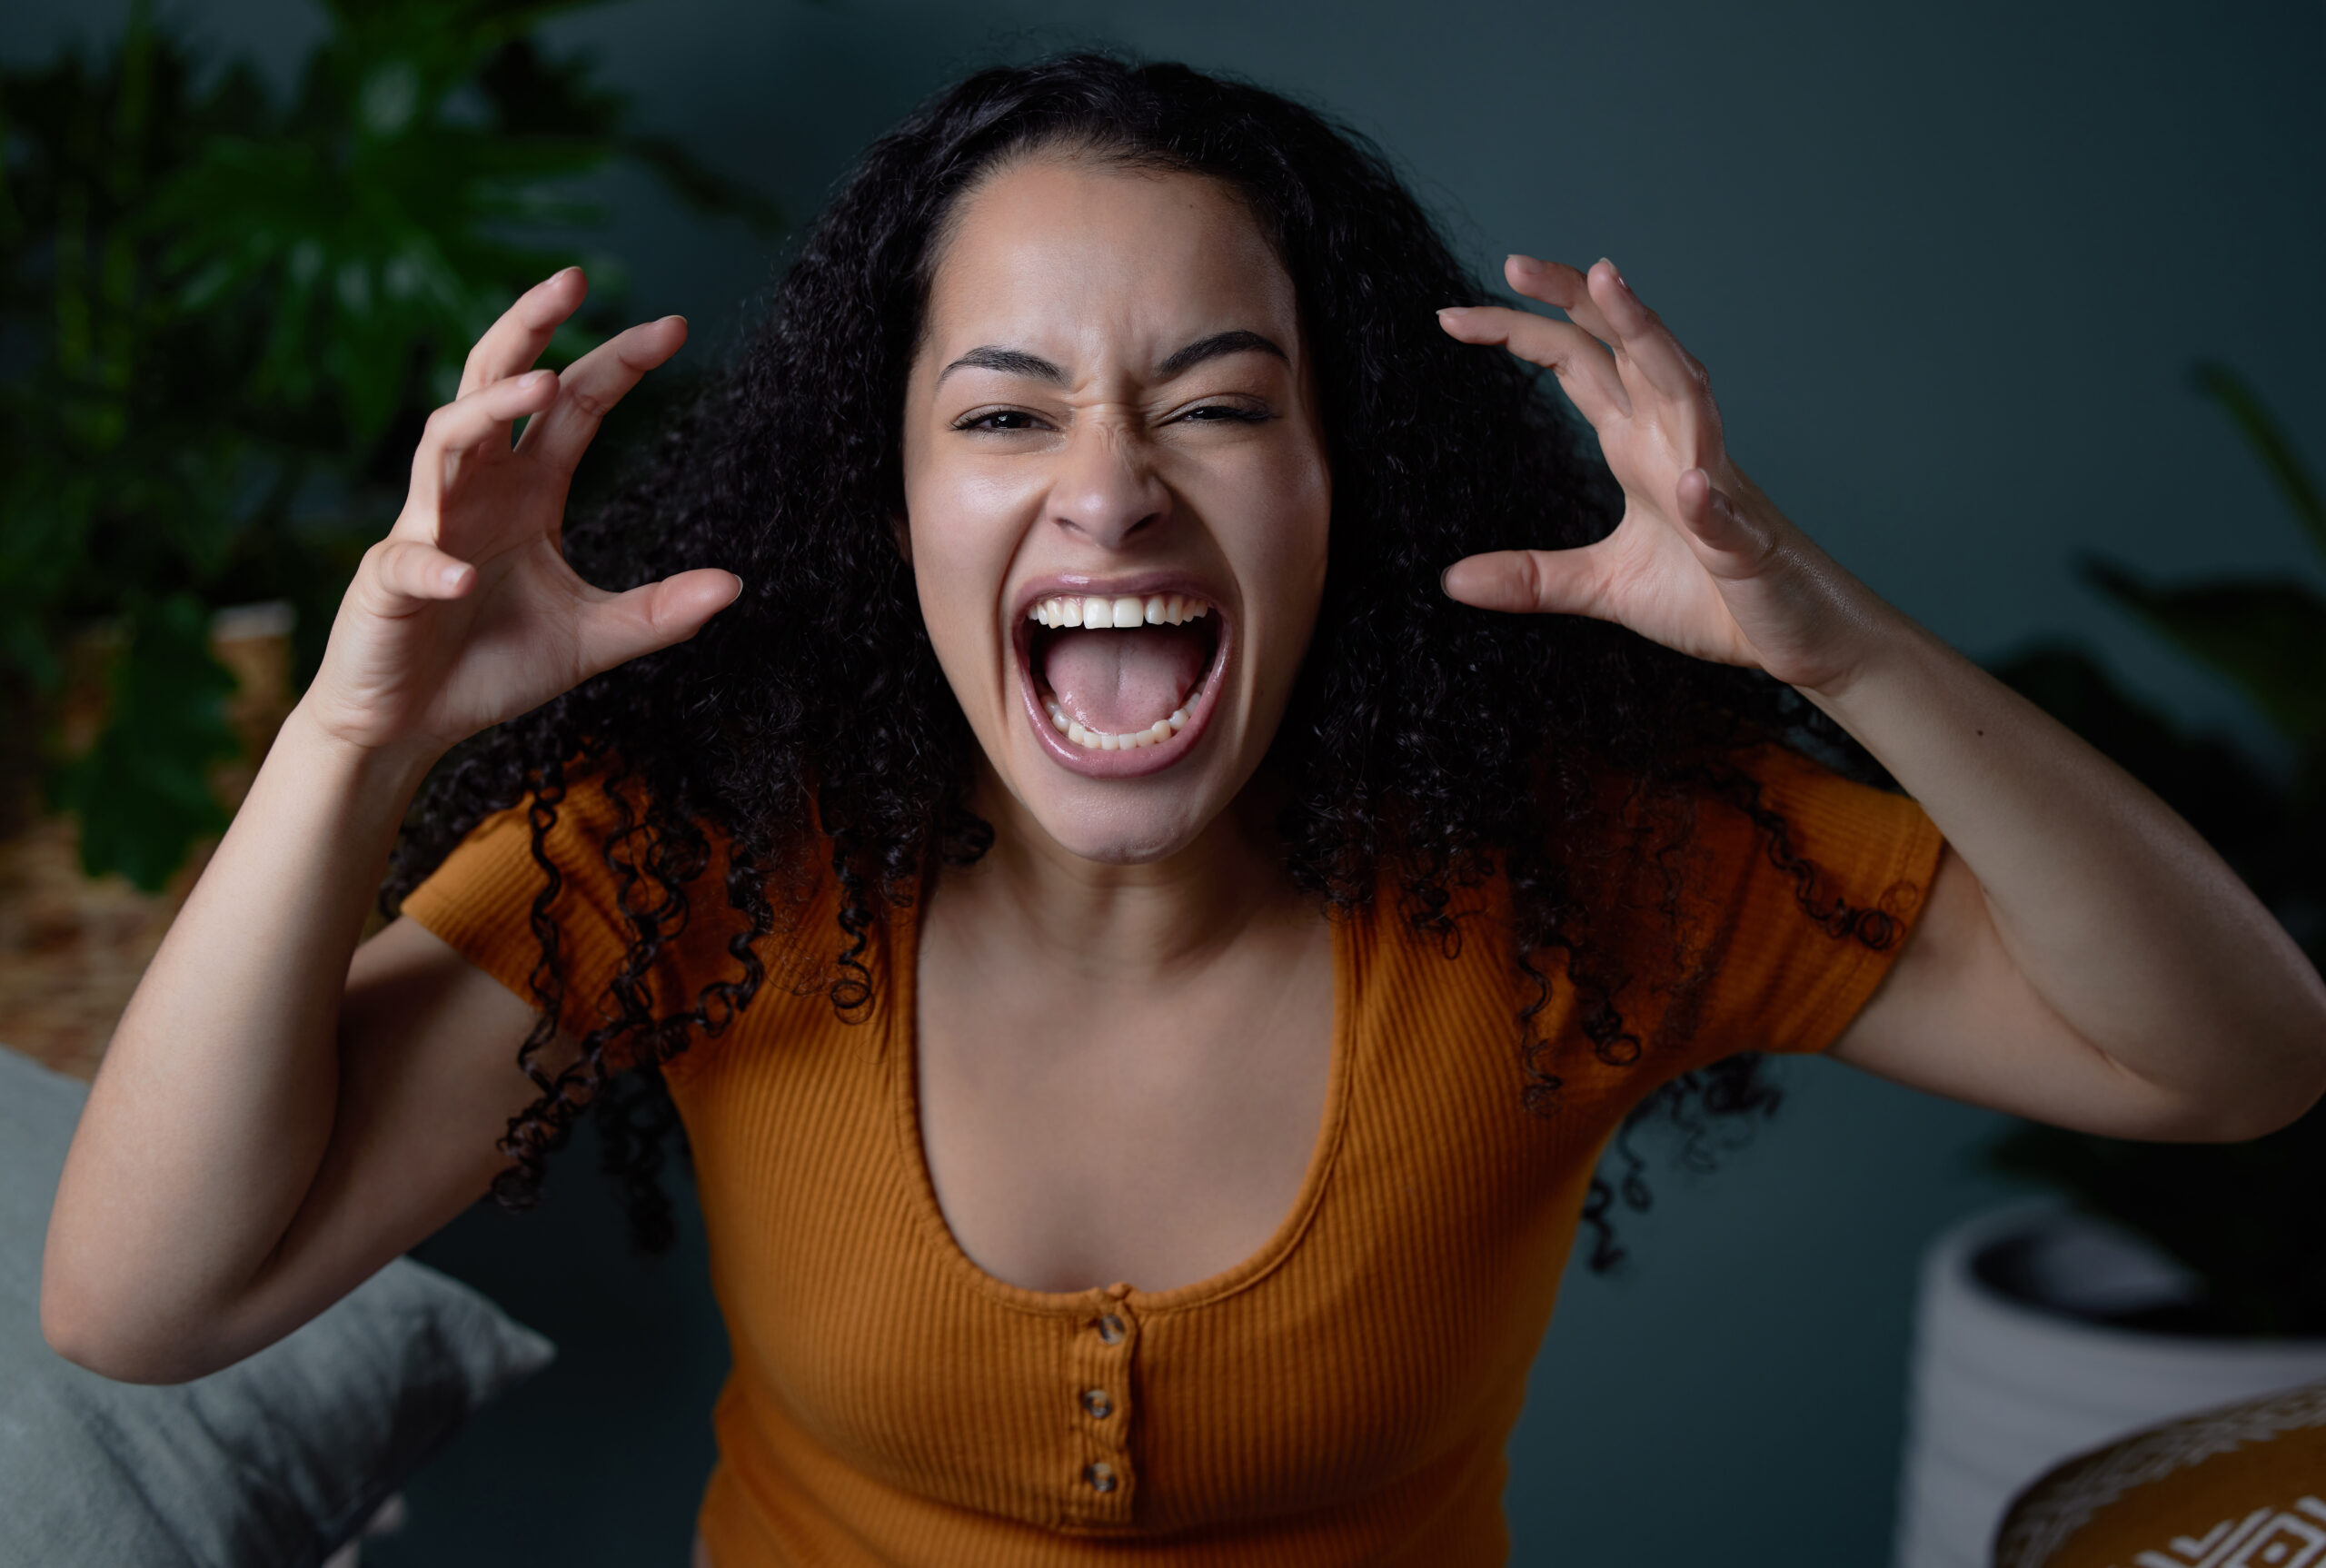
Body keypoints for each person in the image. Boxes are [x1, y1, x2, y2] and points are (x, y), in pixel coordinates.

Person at [41, 53, 2326, 1567]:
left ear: (1347, 484)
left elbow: (2230, 1053)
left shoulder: (1574, 867)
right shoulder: (704, 854)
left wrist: (1825, 639)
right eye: (1006, 414)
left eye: (1218, 405)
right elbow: (143, 1303)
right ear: (890, 495)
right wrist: (357, 730)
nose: (1113, 486)